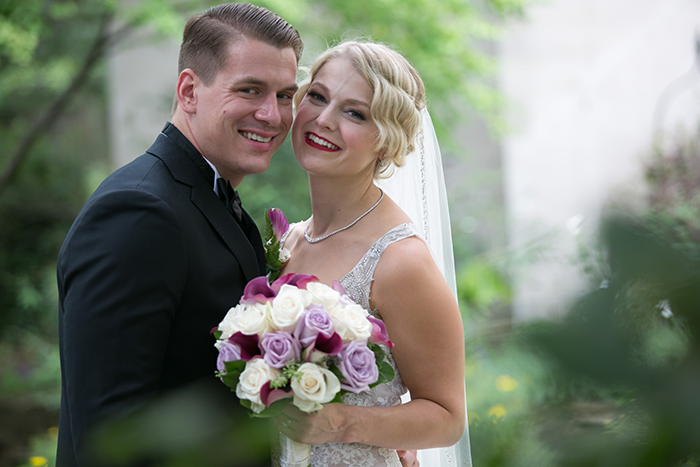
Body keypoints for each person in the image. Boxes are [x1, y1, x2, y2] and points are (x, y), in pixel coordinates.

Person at [55, 4, 302, 466]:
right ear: (189, 91)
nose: (272, 115)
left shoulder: (213, 198)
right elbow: (111, 436)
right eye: (250, 90)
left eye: (285, 95)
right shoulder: (138, 212)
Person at [275, 41, 471, 467]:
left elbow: (447, 416)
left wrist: (342, 422)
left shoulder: (400, 261)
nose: (323, 120)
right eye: (318, 96)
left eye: (355, 113)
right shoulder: (286, 241)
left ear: (386, 141)